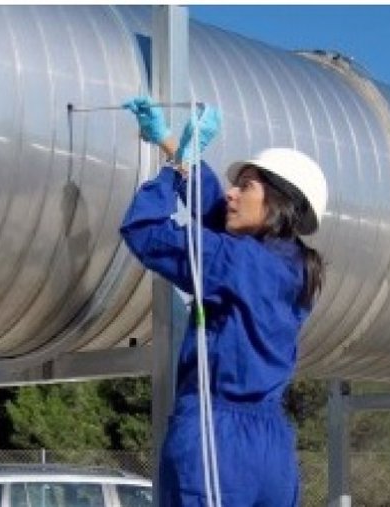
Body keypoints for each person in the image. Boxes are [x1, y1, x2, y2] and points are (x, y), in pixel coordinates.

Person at [120, 96, 327, 506]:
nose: (231, 193)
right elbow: (222, 219)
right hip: (272, 450)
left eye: (245, 185)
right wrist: (173, 147)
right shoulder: (297, 267)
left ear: (279, 202)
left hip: (216, 435)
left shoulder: (234, 259)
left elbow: (143, 229)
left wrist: (169, 171)